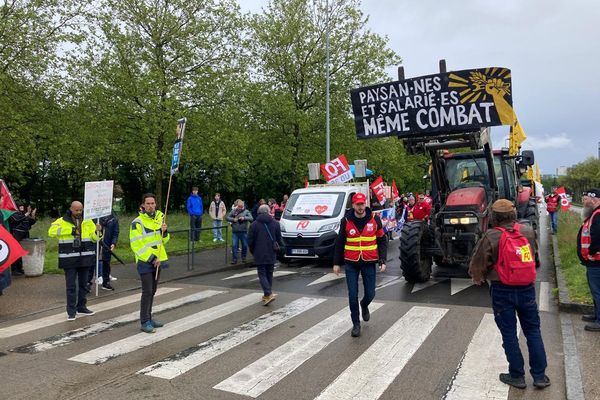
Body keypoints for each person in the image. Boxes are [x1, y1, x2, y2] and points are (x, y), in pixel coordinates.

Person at [469, 199, 550, 389]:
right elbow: (535, 256)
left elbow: (478, 264)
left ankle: (517, 375)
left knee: (509, 333)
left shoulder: (491, 235)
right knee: (533, 331)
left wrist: (478, 278)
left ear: (493, 216)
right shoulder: (527, 231)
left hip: (501, 289)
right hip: (526, 288)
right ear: (513, 214)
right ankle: (539, 376)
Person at [333, 192, 387, 338]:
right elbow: (340, 242)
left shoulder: (375, 219)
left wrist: (382, 259)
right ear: (353, 205)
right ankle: (356, 324)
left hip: (369, 262)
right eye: (358, 204)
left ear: (365, 204)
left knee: (370, 293)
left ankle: (364, 304)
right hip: (351, 263)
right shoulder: (346, 220)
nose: (360, 207)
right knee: (352, 295)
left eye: (362, 204)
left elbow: (382, 239)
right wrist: (337, 263)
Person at [48, 201, 101, 321]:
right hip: (69, 258)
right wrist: (71, 231)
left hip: (85, 257)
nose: (78, 212)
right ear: (71, 209)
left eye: (80, 210)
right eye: (76, 210)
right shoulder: (61, 221)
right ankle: (71, 311)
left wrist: (99, 232)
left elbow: (95, 239)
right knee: (71, 286)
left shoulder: (88, 221)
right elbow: (51, 232)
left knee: (84, 285)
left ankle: (81, 307)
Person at [129, 193, 169, 333]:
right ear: (143, 205)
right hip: (145, 261)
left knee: (153, 291)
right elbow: (137, 245)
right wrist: (152, 258)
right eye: (148, 203)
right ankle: (144, 321)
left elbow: (164, 241)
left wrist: (164, 232)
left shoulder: (160, 218)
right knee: (147, 291)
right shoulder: (137, 222)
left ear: (155, 204)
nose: (151, 206)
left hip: (159, 260)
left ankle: (149, 318)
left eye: (153, 203)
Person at [248, 204, 283, 305]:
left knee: (262, 273)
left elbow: (250, 241)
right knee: (269, 273)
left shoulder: (254, 225)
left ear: (259, 213)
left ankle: (268, 293)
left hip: (259, 252)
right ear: (268, 212)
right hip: (272, 252)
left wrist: (253, 251)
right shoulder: (276, 224)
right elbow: (279, 239)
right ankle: (267, 295)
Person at [577, 188, 600, 332]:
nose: (584, 202)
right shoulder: (594, 215)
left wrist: (591, 252)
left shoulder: (597, 215)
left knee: (598, 291)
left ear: (594, 200)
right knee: (595, 291)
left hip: (596, 261)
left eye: (585, 199)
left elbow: (597, 237)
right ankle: (597, 314)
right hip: (593, 260)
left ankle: (599, 320)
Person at [8, 204, 37, 275]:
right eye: (20, 206)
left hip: (25, 235)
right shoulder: (13, 214)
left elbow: (31, 222)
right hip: (16, 235)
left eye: (22, 206)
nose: (22, 208)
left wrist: (33, 215)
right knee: (16, 252)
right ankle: (14, 269)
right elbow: (17, 219)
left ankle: (20, 268)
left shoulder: (24, 214)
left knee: (23, 252)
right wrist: (27, 213)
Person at [227, 199, 253, 264]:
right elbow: (227, 217)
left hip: (243, 231)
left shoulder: (246, 211)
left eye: (242, 207)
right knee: (234, 245)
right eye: (239, 206)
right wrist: (233, 219)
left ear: (243, 206)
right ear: (237, 206)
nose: (240, 208)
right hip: (235, 231)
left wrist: (244, 218)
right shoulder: (233, 211)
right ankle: (234, 259)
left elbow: (251, 218)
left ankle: (243, 258)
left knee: (244, 245)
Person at [98, 211, 119, 290]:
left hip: (107, 244)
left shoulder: (113, 219)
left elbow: (115, 232)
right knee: (91, 264)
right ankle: (87, 283)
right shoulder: (95, 217)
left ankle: (105, 282)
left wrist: (113, 243)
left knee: (106, 263)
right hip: (95, 244)